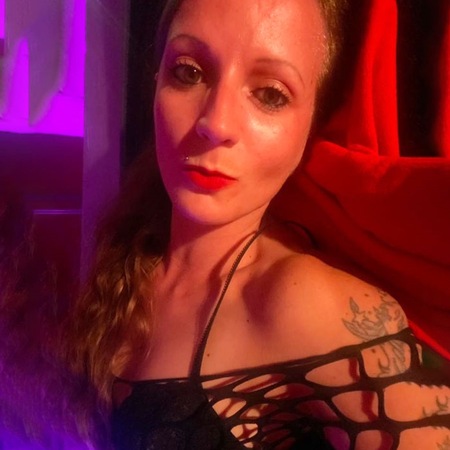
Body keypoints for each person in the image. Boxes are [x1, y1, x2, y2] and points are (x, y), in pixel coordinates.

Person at [64, 0, 450, 448]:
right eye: (189, 72)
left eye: (270, 94)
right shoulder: (124, 257)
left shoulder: (301, 301)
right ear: (156, 81)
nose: (215, 123)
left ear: (311, 124)